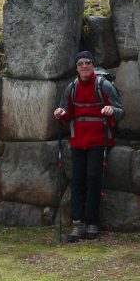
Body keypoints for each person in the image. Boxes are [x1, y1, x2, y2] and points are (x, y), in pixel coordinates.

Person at [53, 50, 124, 241]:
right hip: (79, 141)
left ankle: (92, 222)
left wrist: (111, 110)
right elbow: (67, 113)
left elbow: (120, 111)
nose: (84, 66)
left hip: (99, 141)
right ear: (76, 68)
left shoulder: (104, 85)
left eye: (87, 62)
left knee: (93, 178)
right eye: (80, 64)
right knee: (78, 180)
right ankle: (77, 222)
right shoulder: (71, 88)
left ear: (93, 65)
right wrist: (60, 113)